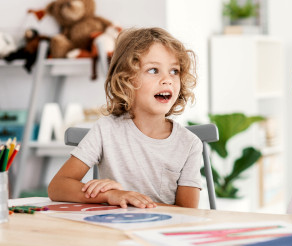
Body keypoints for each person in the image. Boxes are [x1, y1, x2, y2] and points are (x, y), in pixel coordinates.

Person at [48, 27, 202, 209]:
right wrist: (109, 195)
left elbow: (188, 214)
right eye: (153, 70)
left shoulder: (190, 144)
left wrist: (138, 204)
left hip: (161, 232)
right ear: (125, 80)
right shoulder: (106, 129)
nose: (167, 79)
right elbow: (57, 186)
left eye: (174, 71)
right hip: (114, 232)